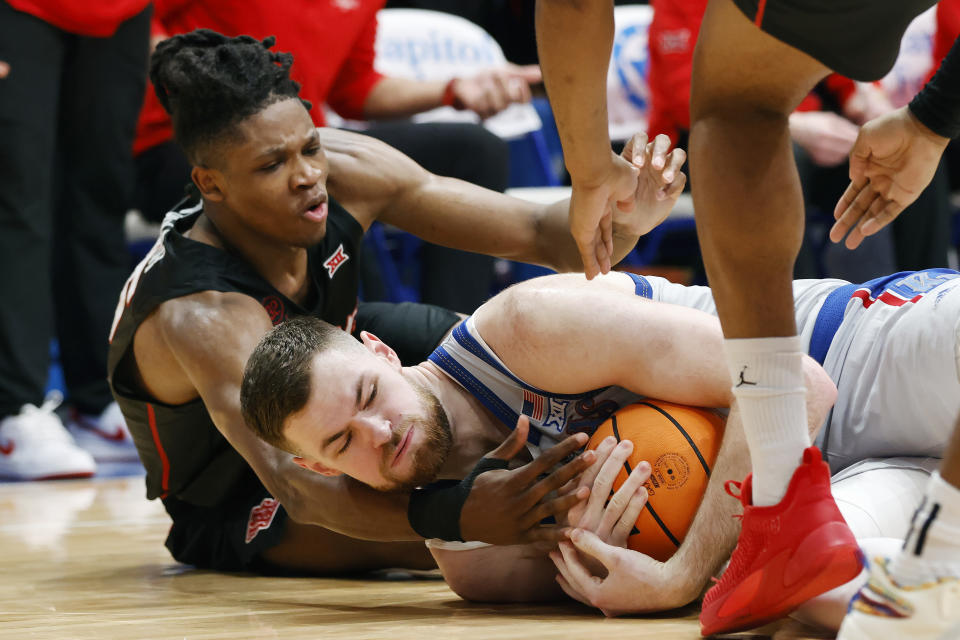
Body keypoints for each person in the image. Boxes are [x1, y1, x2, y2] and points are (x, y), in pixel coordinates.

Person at [107, 30, 686, 575]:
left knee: (515, 359)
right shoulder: (204, 312)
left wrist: (624, 218)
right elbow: (296, 485)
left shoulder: (343, 168)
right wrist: (458, 517)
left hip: (348, 361)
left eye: (309, 147)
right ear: (210, 184)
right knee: (501, 544)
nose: (307, 175)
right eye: (271, 165)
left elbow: (539, 234)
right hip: (244, 495)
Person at [535, 0, 960, 632]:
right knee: (822, 596)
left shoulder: (538, 319)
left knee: (738, 108)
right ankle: (814, 513)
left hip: (881, 336)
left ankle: (813, 504)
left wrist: (590, 166)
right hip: (877, 433)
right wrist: (931, 119)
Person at [241, 266, 960, 629]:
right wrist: (632, 561)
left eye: (368, 396)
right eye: (343, 441)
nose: (380, 432)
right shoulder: (477, 572)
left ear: (380, 351)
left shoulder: (527, 329)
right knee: (846, 605)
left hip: (859, 353)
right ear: (315, 466)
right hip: (827, 483)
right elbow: (676, 583)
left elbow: (793, 386)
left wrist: (677, 574)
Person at [134, 0, 544, 314]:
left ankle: (459, 338)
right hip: (181, 147)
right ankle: (363, 344)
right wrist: (199, 85)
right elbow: (139, 18)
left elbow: (355, 89)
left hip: (302, 143)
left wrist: (453, 89)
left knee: (475, 149)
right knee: (329, 184)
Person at [0, 0, 150, 480]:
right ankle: (12, 409)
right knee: (17, 200)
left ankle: (98, 401)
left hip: (121, 12)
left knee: (100, 201)